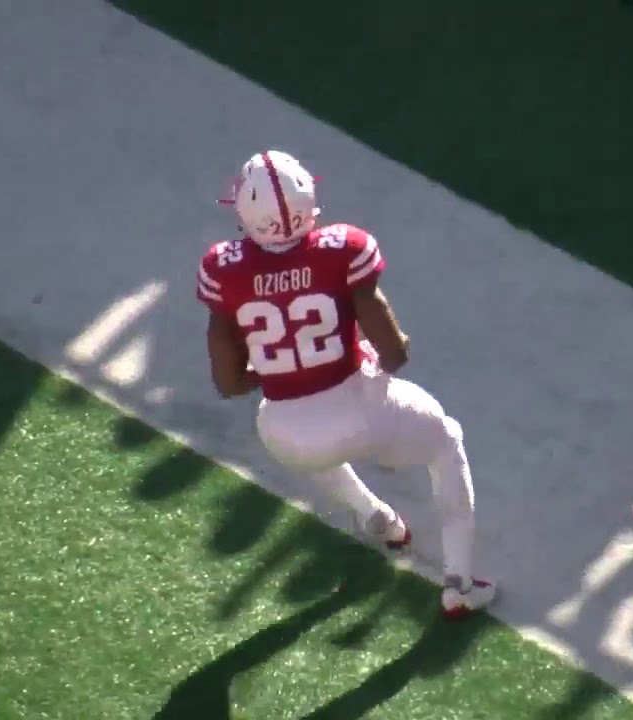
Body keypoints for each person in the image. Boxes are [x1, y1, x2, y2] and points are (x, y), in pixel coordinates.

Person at [195, 150, 496, 617]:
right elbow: (394, 353)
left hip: (286, 433)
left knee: (299, 435)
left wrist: (278, 371)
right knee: (445, 441)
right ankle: (459, 584)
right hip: (361, 407)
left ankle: (376, 516)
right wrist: (387, 350)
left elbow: (229, 383)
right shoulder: (342, 248)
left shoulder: (223, 267)